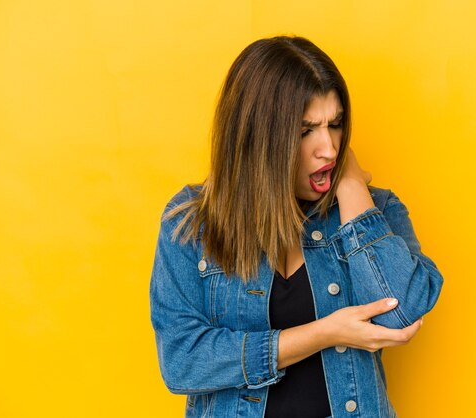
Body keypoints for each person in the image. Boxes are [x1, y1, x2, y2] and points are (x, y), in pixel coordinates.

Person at [149, 36, 443, 418]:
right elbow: (182, 361)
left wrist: (352, 188)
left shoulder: (375, 208)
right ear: (259, 138)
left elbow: (400, 316)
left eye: (335, 125)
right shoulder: (193, 224)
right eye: (306, 131)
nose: (330, 149)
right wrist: (323, 333)